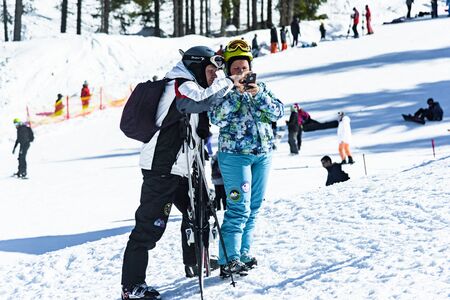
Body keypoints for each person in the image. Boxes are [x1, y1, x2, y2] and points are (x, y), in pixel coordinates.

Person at [120, 46, 246, 300]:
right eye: (211, 70)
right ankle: (131, 286)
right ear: (197, 66)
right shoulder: (178, 84)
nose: (214, 75)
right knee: (150, 227)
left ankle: (196, 263)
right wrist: (228, 82)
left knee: (200, 213)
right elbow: (201, 101)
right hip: (161, 169)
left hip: (186, 169)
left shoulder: (195, 87)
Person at [209, 39, 284, 277]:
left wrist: (258, 94)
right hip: (234, 157)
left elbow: (279, 111)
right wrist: (235, 93)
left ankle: (242, 254)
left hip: (263, 154)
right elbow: (216, 117)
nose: (241, 73)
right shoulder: (224, 91)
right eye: (236, 70)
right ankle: (228, 259)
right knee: (238, 207)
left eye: (244, 68)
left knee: (254, 207)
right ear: (229, 72)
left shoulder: (261, 87)